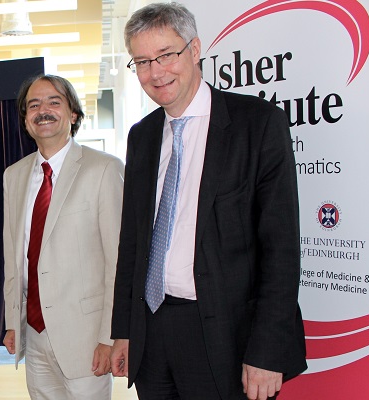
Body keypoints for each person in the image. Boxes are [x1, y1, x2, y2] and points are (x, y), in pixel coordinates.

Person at [108, 3, 307, 400]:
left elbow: (280, 249)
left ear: (195, 49)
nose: (156, 72)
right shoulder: (141, 137)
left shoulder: (258, 124)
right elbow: (132, 244)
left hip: (226, 337)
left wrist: (267, 350)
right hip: (152, 335)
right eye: (142, 61)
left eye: (166, 55)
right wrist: (124, 330)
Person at [2, 74, 124, 399]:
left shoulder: (104, 170)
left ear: (72, 114)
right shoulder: (13, 177)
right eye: (34, 105)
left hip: (85, 338)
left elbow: (119, 262)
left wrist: (110, 336)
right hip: (34, 332)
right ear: (26, 119)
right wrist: (12, 321)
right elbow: (13, 257)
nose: (43, 110)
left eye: (54, 102)